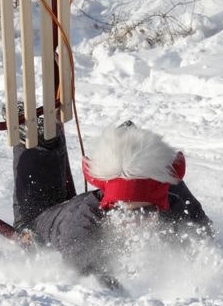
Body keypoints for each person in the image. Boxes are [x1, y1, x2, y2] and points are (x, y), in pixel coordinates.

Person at [12, 120, 212, 283]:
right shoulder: (82, 223)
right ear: (109, 207)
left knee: (164, 176)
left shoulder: (175, 207)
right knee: (35, 203)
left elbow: (203, 236)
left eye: (146, 212)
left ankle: (129, 143)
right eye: (122, 212)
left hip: (134, 192)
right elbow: (82, 268)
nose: (135, 221)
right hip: (43, 222)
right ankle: (38, 142)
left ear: (160, 206)